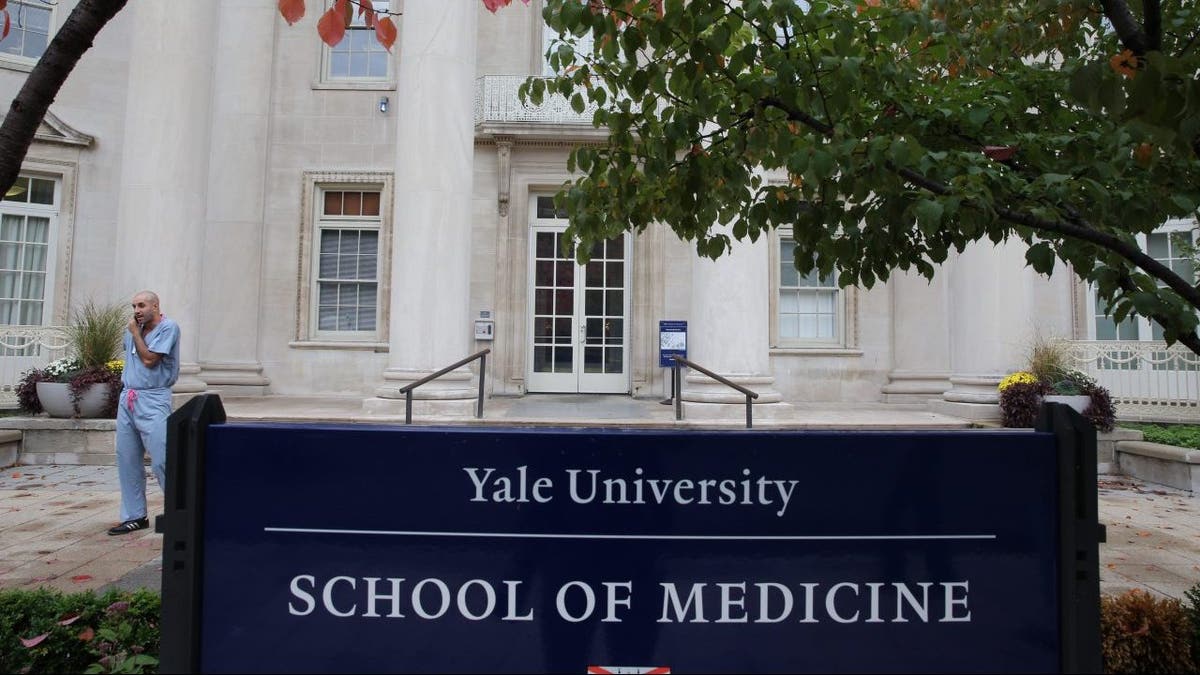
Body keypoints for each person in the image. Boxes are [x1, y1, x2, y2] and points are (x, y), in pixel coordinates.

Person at [108, 290, 180, 535]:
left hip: (153, 398)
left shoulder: (168, 328)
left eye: (141, 305)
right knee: (126, 458)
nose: (137, 310)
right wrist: (135, 333)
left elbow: (150, 360)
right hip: (128, 398)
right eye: (134, 306)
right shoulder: (132, 331)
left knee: (162, 458)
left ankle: (181, 512)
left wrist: (136, 334)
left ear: (155, 306)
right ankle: (134, 515)